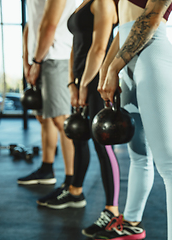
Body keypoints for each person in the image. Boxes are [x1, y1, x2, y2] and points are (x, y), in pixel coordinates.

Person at [94, 0, 172, 239]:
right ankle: (129, 223)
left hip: (152, 57)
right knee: (138, 155)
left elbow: (151, 17)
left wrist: (113, 68)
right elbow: (124, 28)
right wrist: (106, 68)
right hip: (128, 58)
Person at [36, 0, 121, 238]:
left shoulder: (103, 3)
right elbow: (76, 47)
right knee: (79, 136)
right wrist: (72, 82)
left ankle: (112, 211)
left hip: (97, 80)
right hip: (80, 81)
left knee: (103, 145)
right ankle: (75, 191)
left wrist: (84, 84)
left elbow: (99, 47)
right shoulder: (84, 3)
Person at [18, 0, 76, 192]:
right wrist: (27, 59)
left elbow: (50, 26)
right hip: (39, 57)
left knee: (62, 120)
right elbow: (31, 24)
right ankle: (46, 169)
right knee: (44, 118)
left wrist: (36, 61)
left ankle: (71, 182)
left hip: (56, 56)